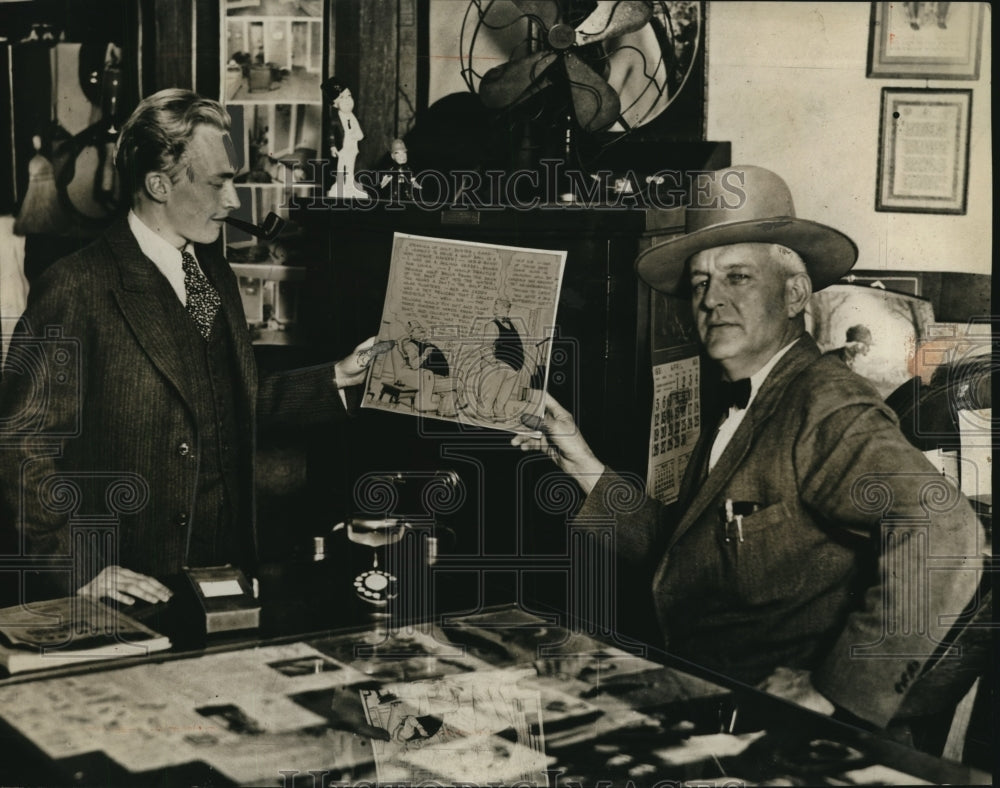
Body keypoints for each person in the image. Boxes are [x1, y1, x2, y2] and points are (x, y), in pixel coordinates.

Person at [512, 166, 983, 729]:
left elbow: (945, 530)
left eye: (738, 277)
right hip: (700, 703)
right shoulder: (749, 396)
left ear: (794, 293)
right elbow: (689, 553)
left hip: (769, 732)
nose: (711, 299)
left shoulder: (824, 403)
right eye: (700, 282)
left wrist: (838, 695)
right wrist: (585, 466)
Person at [0, 89, 378, 608]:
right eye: (220, 183)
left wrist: (337, 377)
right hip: (128, 588)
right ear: (159, 184)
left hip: (222, 574)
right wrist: (77, 565)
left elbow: (226, 398)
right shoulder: (77, 286)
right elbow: (21, 443)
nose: (233, 201)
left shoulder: (208, 272)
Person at [322, 77, 366, 199]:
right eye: (342, 98)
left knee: (351, 167)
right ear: (334, 104)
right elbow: (331, 134)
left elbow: (359, 131)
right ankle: (340, 186)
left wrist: (358, 135)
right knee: (341, 167)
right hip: (343, 148)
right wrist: (332, 146)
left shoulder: (354, 117)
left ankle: (350, 186)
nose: (347, 100)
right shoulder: (335, 120)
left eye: (349, 96)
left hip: (352, 147)